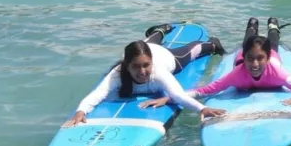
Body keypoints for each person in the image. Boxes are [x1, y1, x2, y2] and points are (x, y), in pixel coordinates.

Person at [62, 23, 227, 126]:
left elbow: (178, 96)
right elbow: (97, 94)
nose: (142, 72)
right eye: (135, 67)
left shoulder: (158, 70)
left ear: (151, 63)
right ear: (127, 65)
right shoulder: (118, 73)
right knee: (143, 45)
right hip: (145, 51)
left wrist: (202, 108)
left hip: (164, 56)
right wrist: (81, 112)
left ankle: (212, 44)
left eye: (146, 66)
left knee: (191, 52)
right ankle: (161, 30)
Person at [159, 17, 291, 102]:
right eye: (251, 59)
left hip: (273, 58)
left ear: (266, 58)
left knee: (273, 43)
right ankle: (251, 26)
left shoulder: (276, 71)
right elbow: (206, 90)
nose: (255, 64)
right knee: (247, 43)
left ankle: (273, 27)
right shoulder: (237, 74)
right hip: (241, 60)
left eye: (260, 58)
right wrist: (172, 97)